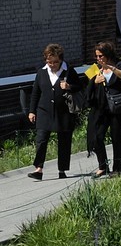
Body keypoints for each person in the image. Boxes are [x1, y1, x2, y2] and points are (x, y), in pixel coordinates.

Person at [27, 42, 83, 180]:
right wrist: (32, 111)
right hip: (44, 111)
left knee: (64, 141)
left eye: (55, 62)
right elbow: (35, 93)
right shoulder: (41, 72)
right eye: (49, 61)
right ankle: (38, 169)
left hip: (63, 111)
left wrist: (69, 86)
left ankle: (62, 169)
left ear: (61, 60)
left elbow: (79, 86)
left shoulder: (69, 71)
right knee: (41, 140)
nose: (52, 64)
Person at [86, 40, 121, 178]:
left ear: (108, 55)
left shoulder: (119, 64)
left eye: (101, 56)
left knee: (116, 138)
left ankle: (117, 168)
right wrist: (95, 82)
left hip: (118, 108)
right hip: (101, 108)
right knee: (96, 136)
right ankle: (103, 166)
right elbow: (87, 88)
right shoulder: (94, 69)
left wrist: (110, 68)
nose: (98, 59)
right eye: (96, 56)